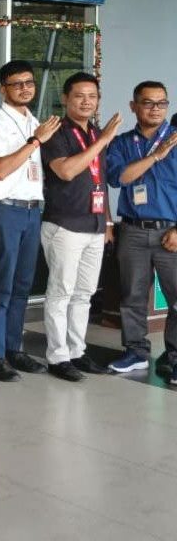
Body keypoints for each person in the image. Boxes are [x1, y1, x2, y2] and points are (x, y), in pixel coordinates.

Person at [0, 61, 61, 381]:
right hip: (5, 210)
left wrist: (36, 137)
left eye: (29, 82)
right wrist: (35, 142)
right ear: (3, 89)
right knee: (1, 285)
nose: (25, 88)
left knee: (23, 285)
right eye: (17, 84)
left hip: (31, 210)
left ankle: (14, 348)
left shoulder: (33, 121)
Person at [39, 72, 121, 382]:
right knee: (61, 292)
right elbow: (67, 172)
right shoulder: (57, 133)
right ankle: (57, 357)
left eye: (92, 96)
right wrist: (102, 141)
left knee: (84, 294)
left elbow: (98, 180)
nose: (86, 101)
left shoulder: (96, 132)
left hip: (95, 224)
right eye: (79, 96)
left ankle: (77, 351)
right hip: (65, 225)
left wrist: (108, 222)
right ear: (65, 98)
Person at [105, 81, 177, 380]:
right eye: (148, 103)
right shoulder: (122, 143)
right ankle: (136, 352)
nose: (156, 108)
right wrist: (155, 156)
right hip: (133, 231)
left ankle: (174, 356)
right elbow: (119, 178)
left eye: (162, 103)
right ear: (134, 106)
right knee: (132, 296)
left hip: (171, 234)